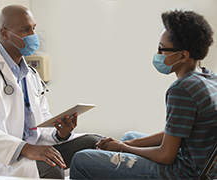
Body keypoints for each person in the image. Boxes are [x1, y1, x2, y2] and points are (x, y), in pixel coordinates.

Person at [69, 10, 217, 179]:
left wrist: (123, 148)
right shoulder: (210, 78)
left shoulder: (182, 89)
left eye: (161, 49)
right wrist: (125, 143)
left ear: (183, 55)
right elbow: (176, 132)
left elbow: (166, 156)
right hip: (204, 167)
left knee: (81, 160)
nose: (158, 55)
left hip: (182, 173)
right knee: (129, 136)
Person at [0, 4, 102, 179]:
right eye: (25, 30)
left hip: (34, 147)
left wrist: (60, 133)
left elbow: (40, 119)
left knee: (95, 143)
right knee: (51, 166)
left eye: (33, 28)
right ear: (4, 33)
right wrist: (24, 148)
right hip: (5, 158)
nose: (32, 35)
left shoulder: (30, 74)